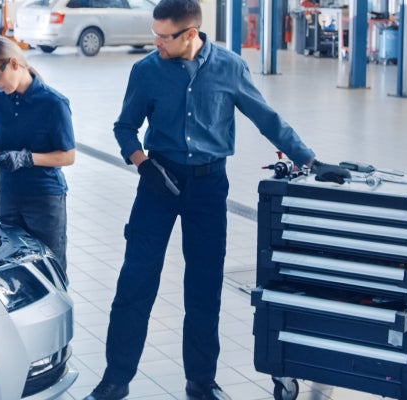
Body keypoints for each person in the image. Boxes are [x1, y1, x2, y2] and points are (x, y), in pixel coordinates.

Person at [84, 1, 330, 399]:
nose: (157, 42)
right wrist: (144, 165)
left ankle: (200, 382)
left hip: (208, 188)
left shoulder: (229, 67)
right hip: (157, 184)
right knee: (135, 281)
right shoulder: (146, 71)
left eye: (165, 36)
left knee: (204, 287)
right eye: (155, 34)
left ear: (191, 33)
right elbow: (125, 127)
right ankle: (116, 380)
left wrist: (310, 160)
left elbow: (266, 117)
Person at [0, 37, 75, 281]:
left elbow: (67, 156)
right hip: (9, 195)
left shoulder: (54, 104)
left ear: (13, 63)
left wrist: (27, 159)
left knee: (50, 267)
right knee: (11, 265)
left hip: (45, 198)